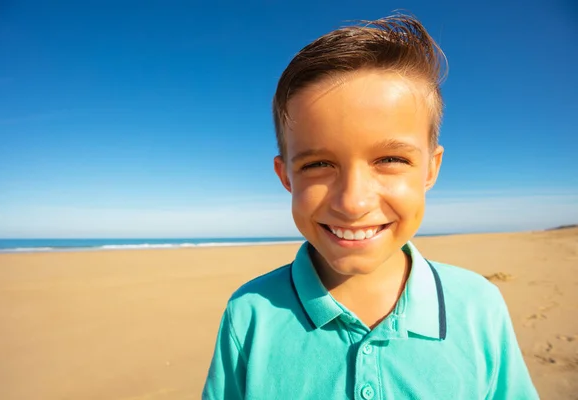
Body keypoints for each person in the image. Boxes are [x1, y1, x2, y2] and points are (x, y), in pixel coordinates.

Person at [202, 13, 539, 400]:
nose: (353, 202)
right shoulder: (250, 315)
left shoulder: (478, 306)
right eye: (318, 165)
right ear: (286, 177)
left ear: (431, 169)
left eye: (390, 160)